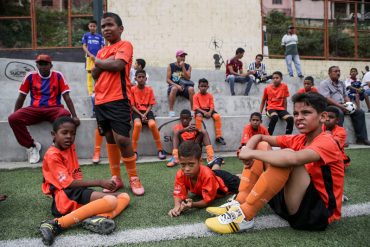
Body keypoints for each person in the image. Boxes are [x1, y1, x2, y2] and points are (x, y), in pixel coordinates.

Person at [205, 93, 344, 234]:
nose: (299, 117)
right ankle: (240, 201)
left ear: (323, 117)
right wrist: (249, 147)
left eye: (306, 113)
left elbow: (293, 159)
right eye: (296, 114)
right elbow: (260, 137)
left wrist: (251, 153)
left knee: (287, 156)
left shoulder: (327, 141)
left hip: (317, 214)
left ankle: (245, 216)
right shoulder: (300, 139)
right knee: (263, 146)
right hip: (292, 203)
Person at [39, 117, 130, 246]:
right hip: (65, 196)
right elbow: (69, 184)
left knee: (124, 197)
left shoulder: (69, 146)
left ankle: (96, 219)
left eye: (73, 133)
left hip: (77, 192)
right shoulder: (52, 155)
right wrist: (99, 182)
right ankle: (57, 223)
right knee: (111, 200)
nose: (69, 137)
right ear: (54, 135)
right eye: (64, 133)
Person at [91, 12, 145, 195]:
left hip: (119, 99)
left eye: (110, 25)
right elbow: (94, 74)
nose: (106, 29)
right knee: (110, 139)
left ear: (120, 28)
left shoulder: (125, 45)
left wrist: (99, 62)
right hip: (100, 101)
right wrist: (103, 61)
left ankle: (134, 178)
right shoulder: (101, 51)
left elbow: (117, 66)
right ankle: (116, 178)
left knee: (122, 139)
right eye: (103, 26)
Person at [8, 54, 80, 164]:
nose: (42, 66)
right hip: (35, 109)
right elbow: (21, 97)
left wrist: (74, 116)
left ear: (51, 65)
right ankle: (32, 146)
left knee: (65, 113)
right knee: (13, 118)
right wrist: (17, 113)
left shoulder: (58, 76)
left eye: (45, 64)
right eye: (40, 64)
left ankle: (56, 146)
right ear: (37, 65)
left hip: (54, 109)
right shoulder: (30, 76)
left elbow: (67, 97)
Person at [168, 141, 240, 217]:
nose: (186, 169)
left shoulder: (208, 176)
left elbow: (207, 201)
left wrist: (192, 204)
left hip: (227, 181)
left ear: (200, 161)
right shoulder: (180, 173)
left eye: (191, 164)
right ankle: (216, 161)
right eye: (183, 164)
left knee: (244, 185)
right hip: (212, 174)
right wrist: (176, 206)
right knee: (213, 172)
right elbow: (178, 194)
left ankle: (223, 166)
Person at [319, 66, 370, 145]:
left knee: (359, 112)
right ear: (329, 73)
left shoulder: (341, 83)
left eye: (339, 71)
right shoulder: (324, 84)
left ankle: (362, 138)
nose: (338, 73)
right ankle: (338, 139)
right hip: (329, 106)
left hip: (342, 105)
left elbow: (345, 96)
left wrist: (349, 105)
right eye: (335, 71)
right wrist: (341, 106)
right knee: (339, 112)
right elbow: (327, 99)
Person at [131, 69, 166, 160]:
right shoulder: (133, 89)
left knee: (152, 124)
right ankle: (133, 151)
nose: (141, 79)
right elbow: (132, 106)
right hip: (136, 112)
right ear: (135, 78)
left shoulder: (149, 89)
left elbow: (150, 105)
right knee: (138, 124)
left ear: (146, 79)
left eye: (143, 77)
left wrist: (145, 114)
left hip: (147, 112)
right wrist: (141, 115)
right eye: (139, 77)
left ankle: (160, 150)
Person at [193, 78, 226, 145]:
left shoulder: (210, 96)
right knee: (199, 116)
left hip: (209, 110)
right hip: (200, 110)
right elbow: (196, 107)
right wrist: (204, 112)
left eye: (205, 86)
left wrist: (210, 112)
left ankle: (218, 136)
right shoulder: (196, 96)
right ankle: (198, 134)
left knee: (217, 116)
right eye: (201, 86)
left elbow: (212, 106)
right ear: (198, 87)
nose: (203, 88)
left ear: (207, 87)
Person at [259, 71, 294, 135]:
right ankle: (268, 136)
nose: (275, 79)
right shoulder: (267, 88)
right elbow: (263, 100)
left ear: (281, 79)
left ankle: (287, 137)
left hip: (281, 109)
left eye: (277, 78)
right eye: (273, 78)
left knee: (290, 119)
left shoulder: (284, 86)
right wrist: (260, 113)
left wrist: (285, 112)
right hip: (270, 108)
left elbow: (285, 100)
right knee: (275, 117)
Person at [166, 50, 195, 117]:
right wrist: (177, 86)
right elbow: (167, 80)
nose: (183, 58)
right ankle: (171, 111)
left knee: (191, 89)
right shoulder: (171, 66)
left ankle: (193, 110)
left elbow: (188, 78)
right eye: (181, 56)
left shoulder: (188, 66)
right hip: (174, 86)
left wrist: (183, 67)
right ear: (176, 57)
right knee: (174, 88)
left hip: (185, 87)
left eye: (184, 56)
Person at [82, 20, 105, 96]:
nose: (92, 27)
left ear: (96, 27)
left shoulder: (100, 37)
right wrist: (90, 54)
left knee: (98, 73)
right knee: (89, 73)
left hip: (98, 59)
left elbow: (102, 48)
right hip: (89, 58)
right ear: (88, 27)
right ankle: (90, 91)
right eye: (91, 26)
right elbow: (84, 46)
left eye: (94, 26)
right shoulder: (86, 35)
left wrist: (99, 56)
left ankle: (97, 90)